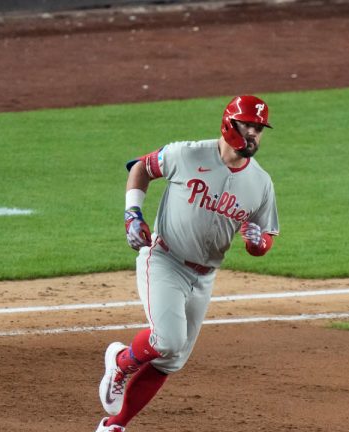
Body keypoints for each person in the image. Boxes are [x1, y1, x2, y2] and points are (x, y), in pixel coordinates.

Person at [95, 95, 280, 431]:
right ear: (229, 123)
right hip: (165, 259)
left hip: (205, 276)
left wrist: (258, 244)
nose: (254, 134)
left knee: (171, 360)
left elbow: (266, 236)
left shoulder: (261, 183)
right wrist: (132, 214)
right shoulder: (188, 153)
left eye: (259, 128)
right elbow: (142, 167)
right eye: (248, 125)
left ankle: (114, 425)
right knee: (166, 340)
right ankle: (121, 363)